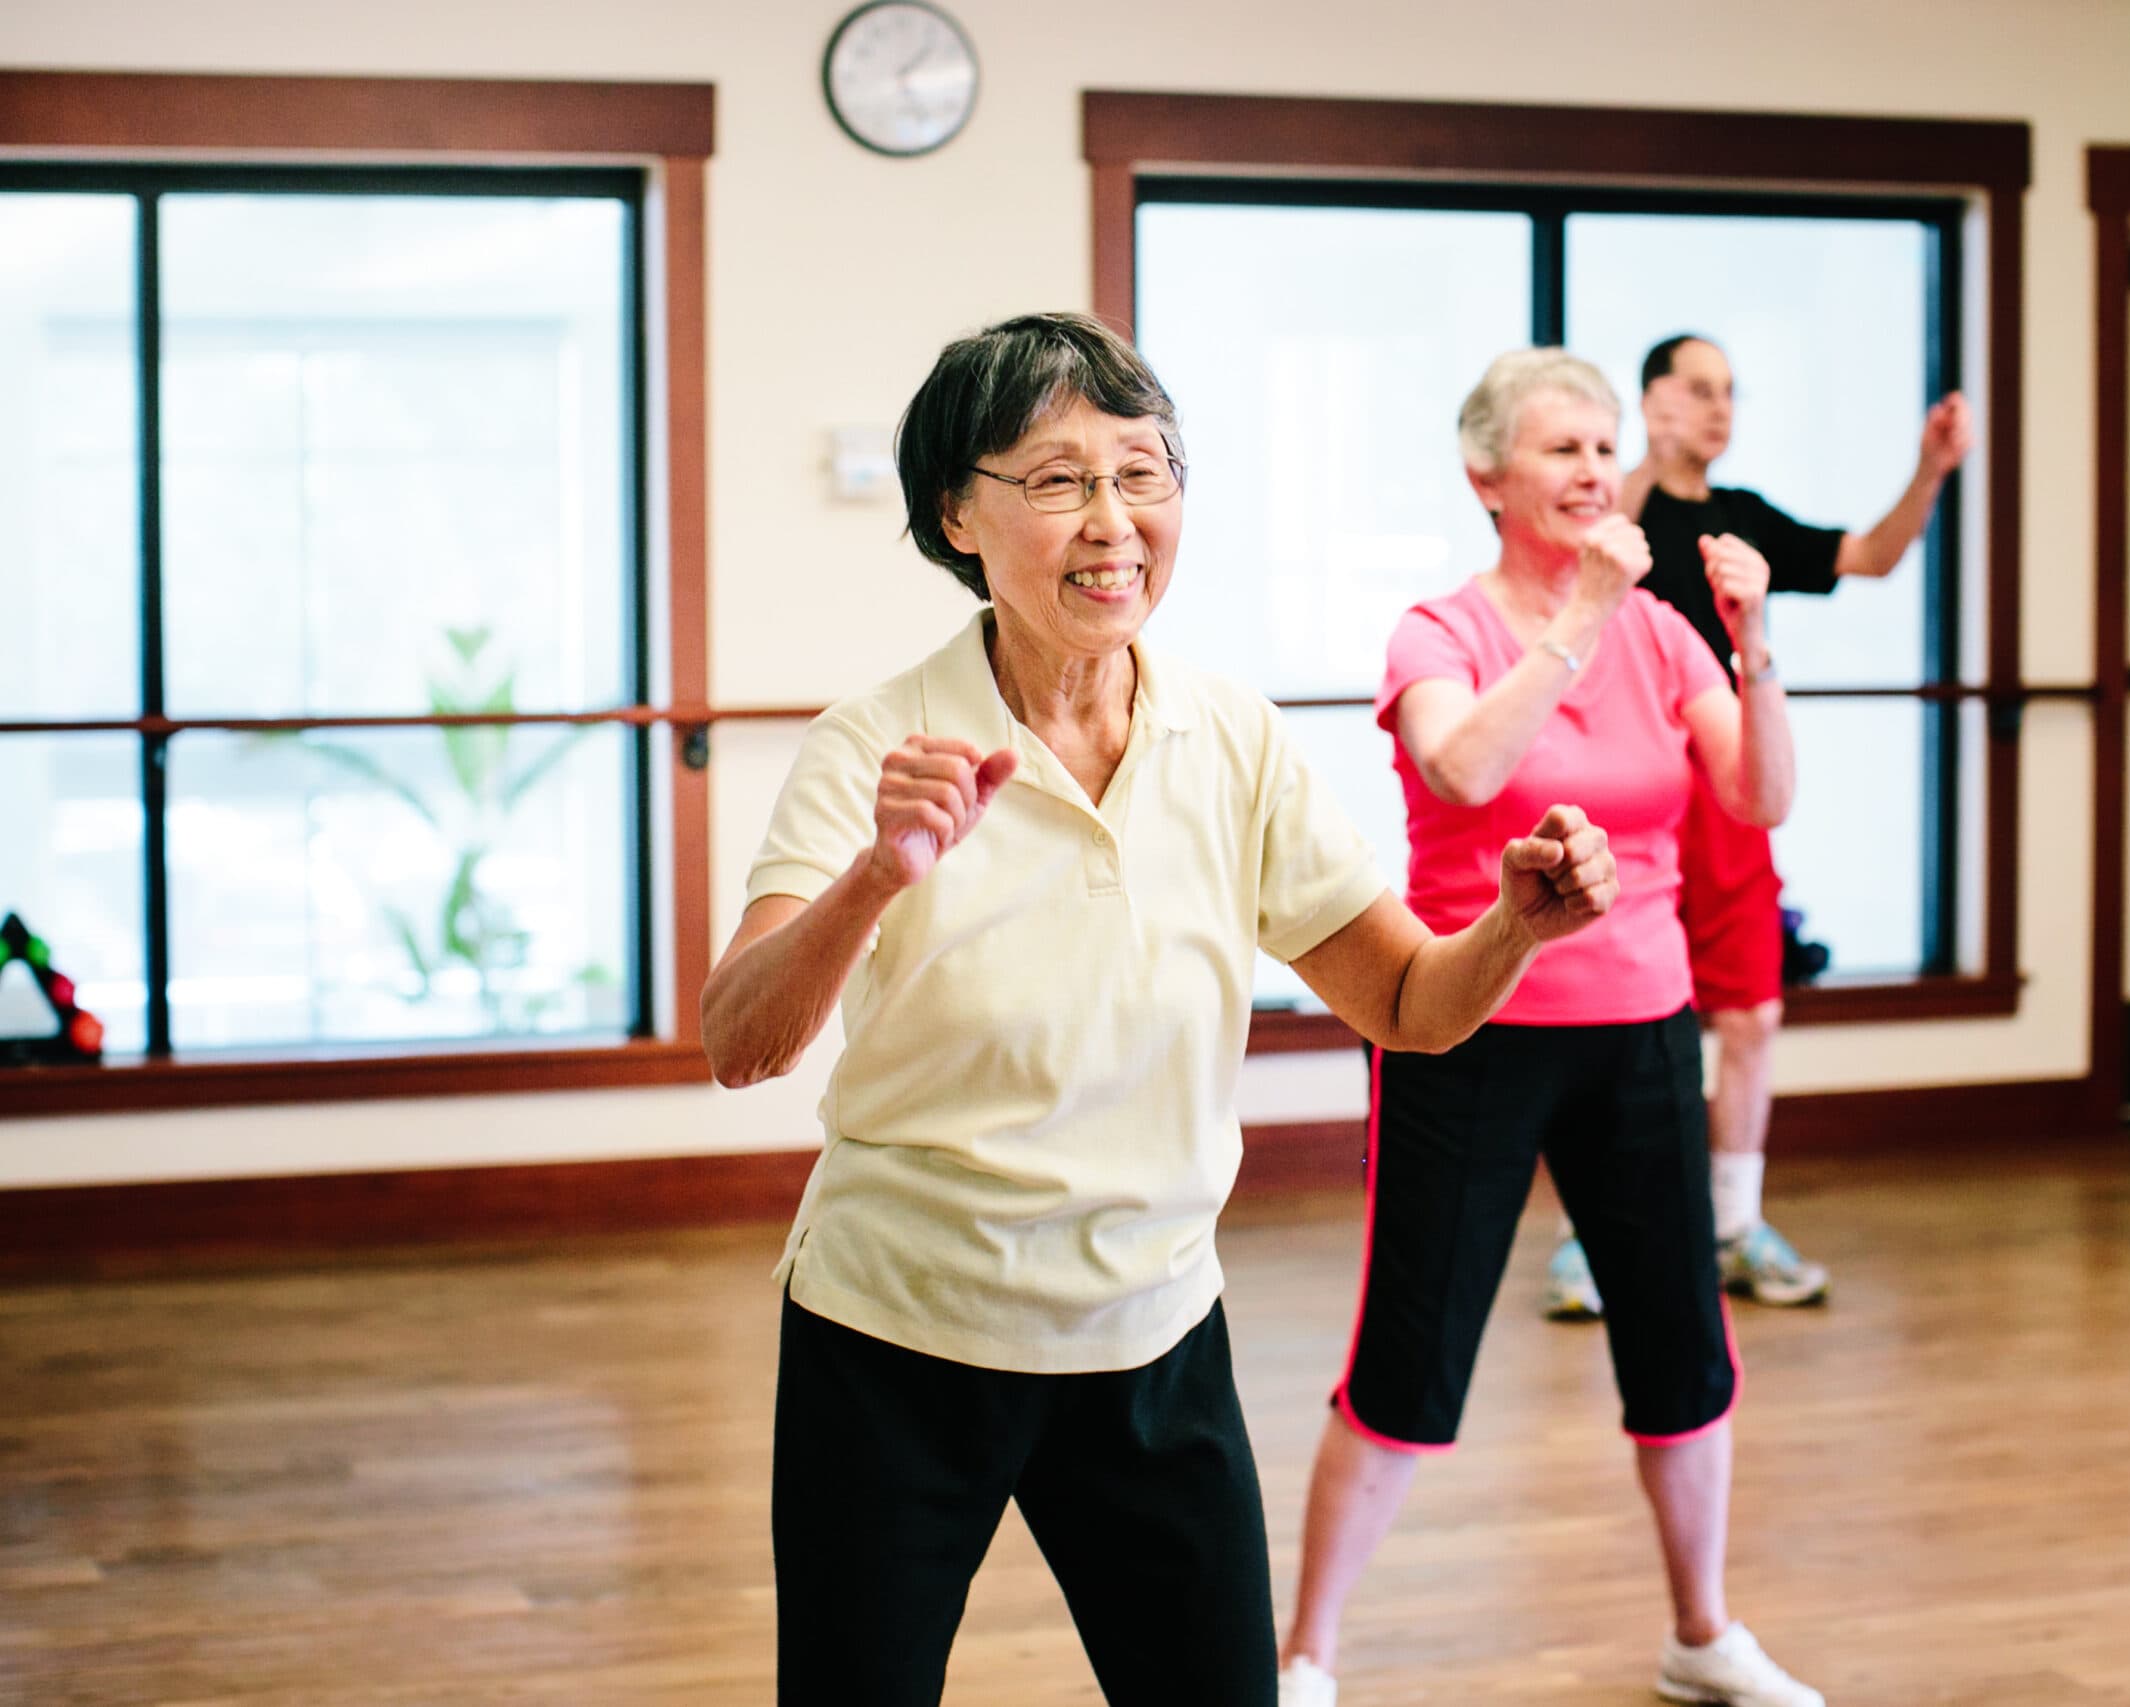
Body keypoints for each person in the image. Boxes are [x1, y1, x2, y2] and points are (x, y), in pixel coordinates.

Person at [702, 313, 1623, 1707]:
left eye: (1146, 472)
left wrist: (1513, 927)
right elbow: (741, 1039)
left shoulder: (1230, 735)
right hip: (900, 1330)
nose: (1116, 519)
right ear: (958, 509)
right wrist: (872, 879)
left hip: (1150, 1328)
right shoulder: (876, 741)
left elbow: (1410, 1004)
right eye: (1061, 478)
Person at [1277, 349, 1822, 1707]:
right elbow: (1464, 763)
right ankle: (1305, 1658)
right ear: (1487, 478)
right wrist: (1577, 615)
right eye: (1560, 450)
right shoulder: (1441, 629)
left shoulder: (1664, 629)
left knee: (1684, 1349)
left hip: (1640, 1027)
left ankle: (1702, 1632)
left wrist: (1755, 645)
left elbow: (1757, 799)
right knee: (1404, 1357)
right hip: (1465, 1021)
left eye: (1601, 447)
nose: (1592, 470)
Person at [1544, 332, 1974, 1317]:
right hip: (1624, 787)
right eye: (1696, 390)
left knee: (1750, 1012)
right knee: (1605, 1019)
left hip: (1729, 786)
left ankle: (1733, 1224)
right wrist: (1625, 465)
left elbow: (1869, 555)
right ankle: (1584, 1237)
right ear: (1649, 405)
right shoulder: (1609, 516)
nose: (1717, 408)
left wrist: (1930, 468)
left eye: (1729, 392)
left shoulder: (1740, 525)